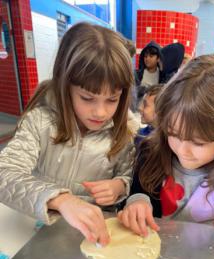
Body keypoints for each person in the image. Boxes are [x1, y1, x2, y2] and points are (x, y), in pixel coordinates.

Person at [118, 54, 214, 259]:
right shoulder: (151, 151)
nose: (183, 149)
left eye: (199, 142)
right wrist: (137, 201)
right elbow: (138, 188)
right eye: (173, 133)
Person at [0, 22, 135, 246]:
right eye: (87, 98)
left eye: (112, 99)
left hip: (89, 237)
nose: (101, 112)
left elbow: (128, 174)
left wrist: (119, 186)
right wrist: (59, 199)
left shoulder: (123, 132)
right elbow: (4, 174)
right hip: (36, 231)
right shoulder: (40, 122)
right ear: (65, 86)